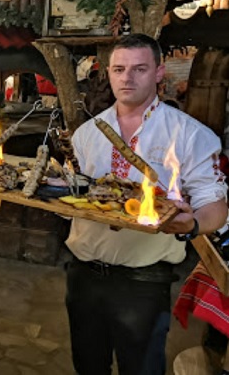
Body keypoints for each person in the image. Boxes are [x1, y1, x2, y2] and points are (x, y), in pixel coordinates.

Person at [66, 33, 228, 374]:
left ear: (159, 72)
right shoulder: (87, 133)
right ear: (108, 73)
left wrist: (193, 224)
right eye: (119, 69)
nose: (127, 78)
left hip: (144, 281)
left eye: (139, 69)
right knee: (88, 366)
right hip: (84, 274)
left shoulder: (190, 134)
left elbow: (215, 206)